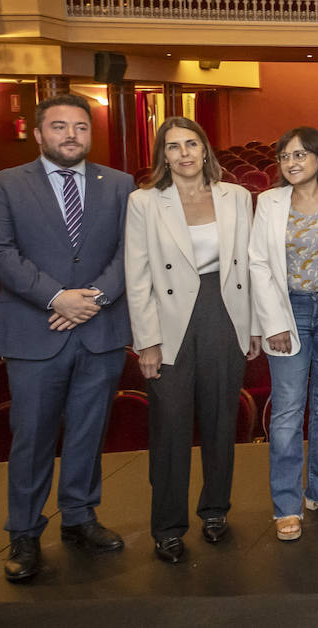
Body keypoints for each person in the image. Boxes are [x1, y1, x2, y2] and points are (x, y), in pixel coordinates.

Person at [0, 93, 134, 582]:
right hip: (35, 330)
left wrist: (96, 297)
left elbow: (134, 250)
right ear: (40, 133)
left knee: (89, 432)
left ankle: (81, 519)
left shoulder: (120, 184)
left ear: (91, 133)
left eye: (81, 127)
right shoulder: (3, 185)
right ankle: (24, 532)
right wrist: (58, 298)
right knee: (33, 437)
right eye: (60, 127)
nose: (72, 135)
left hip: (100, 327)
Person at [125, 116, 258, 564]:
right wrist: (147, 341)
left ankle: (216, 510)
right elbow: (138, 275)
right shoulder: (145, 202)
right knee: (170, 425)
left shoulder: (236, 196)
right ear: (163, 154)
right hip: (168, 321)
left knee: (222, 419)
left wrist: (253, 325)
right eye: (173, 146)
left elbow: (250, 265)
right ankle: (167, 526)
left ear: (205, 150)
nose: (183, 153)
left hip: (225, 312)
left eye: (191, 144)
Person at [249, 127, 318, 542]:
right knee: (288, 412)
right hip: (288, 311)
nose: (291, 163)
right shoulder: (268, 202)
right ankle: (286, 504)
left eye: (301, 155)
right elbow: (257, 264)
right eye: (285, 156)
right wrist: (271, 323)